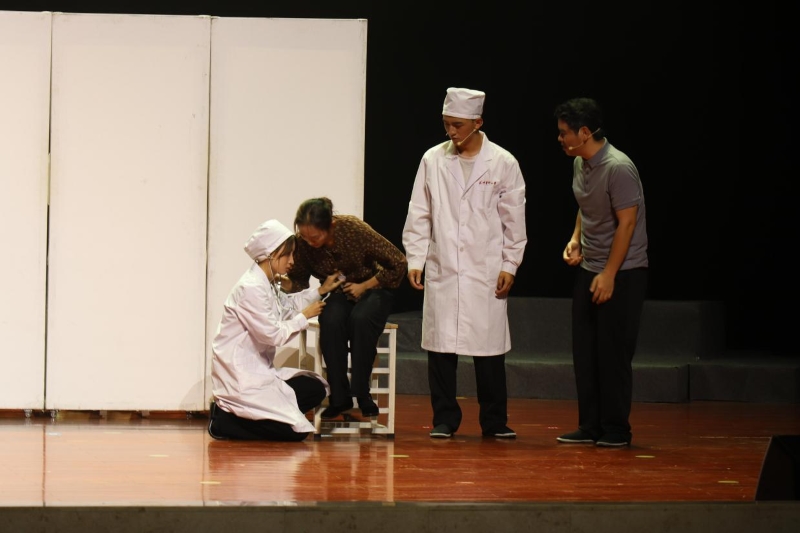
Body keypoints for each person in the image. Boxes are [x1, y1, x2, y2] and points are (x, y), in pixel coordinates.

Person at [402, 87, 527, 439]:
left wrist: (510, 264)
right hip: (444, 266)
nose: (451, 132)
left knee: (489, 350)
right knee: (441, 349)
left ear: (477, 123)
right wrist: (416, 258)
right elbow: (419, 213)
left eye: (457, 125)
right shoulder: (432, 160)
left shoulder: (502, 163)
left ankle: (494, 421)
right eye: (446, 124)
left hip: (485, 269)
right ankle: (444, 418)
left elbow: (514, 221)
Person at [554, 97, 649, 447]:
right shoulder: (580, 163)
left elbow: (627, 224)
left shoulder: (618, 167)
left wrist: (609, 274)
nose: (560, 139)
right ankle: (590, 425)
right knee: (586, 352)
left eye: (564, 133)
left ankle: (616, 429)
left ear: (583, 132)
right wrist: (575, 239)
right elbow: (586, 207)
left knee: (613, 353)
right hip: (590, 268)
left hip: (623, 272)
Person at [208, 219, 344, 441]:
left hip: (260, 371)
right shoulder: (251, 288)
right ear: (269, 255)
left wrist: (320, 291)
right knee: (296, 433)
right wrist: (305, 316)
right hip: (242, 376)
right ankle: (226, 422)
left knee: (315, 388)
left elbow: (286, 306)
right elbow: (273, 334)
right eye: (286, 255)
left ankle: (262, 418)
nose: (292, 261)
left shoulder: (265, 283)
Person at [288, 197, 407, 420]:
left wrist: (365, 285)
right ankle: (339, 396)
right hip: (340, 292)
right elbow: (298, 279)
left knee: (361, 319)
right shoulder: (303, 243)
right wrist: (281, 282)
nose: (309, 242)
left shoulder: (353, 229)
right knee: (330, 319)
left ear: (331, 226)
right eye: (304, 237)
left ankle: (362, 393)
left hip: (373, 287)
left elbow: (398, 262)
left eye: (315, 237)